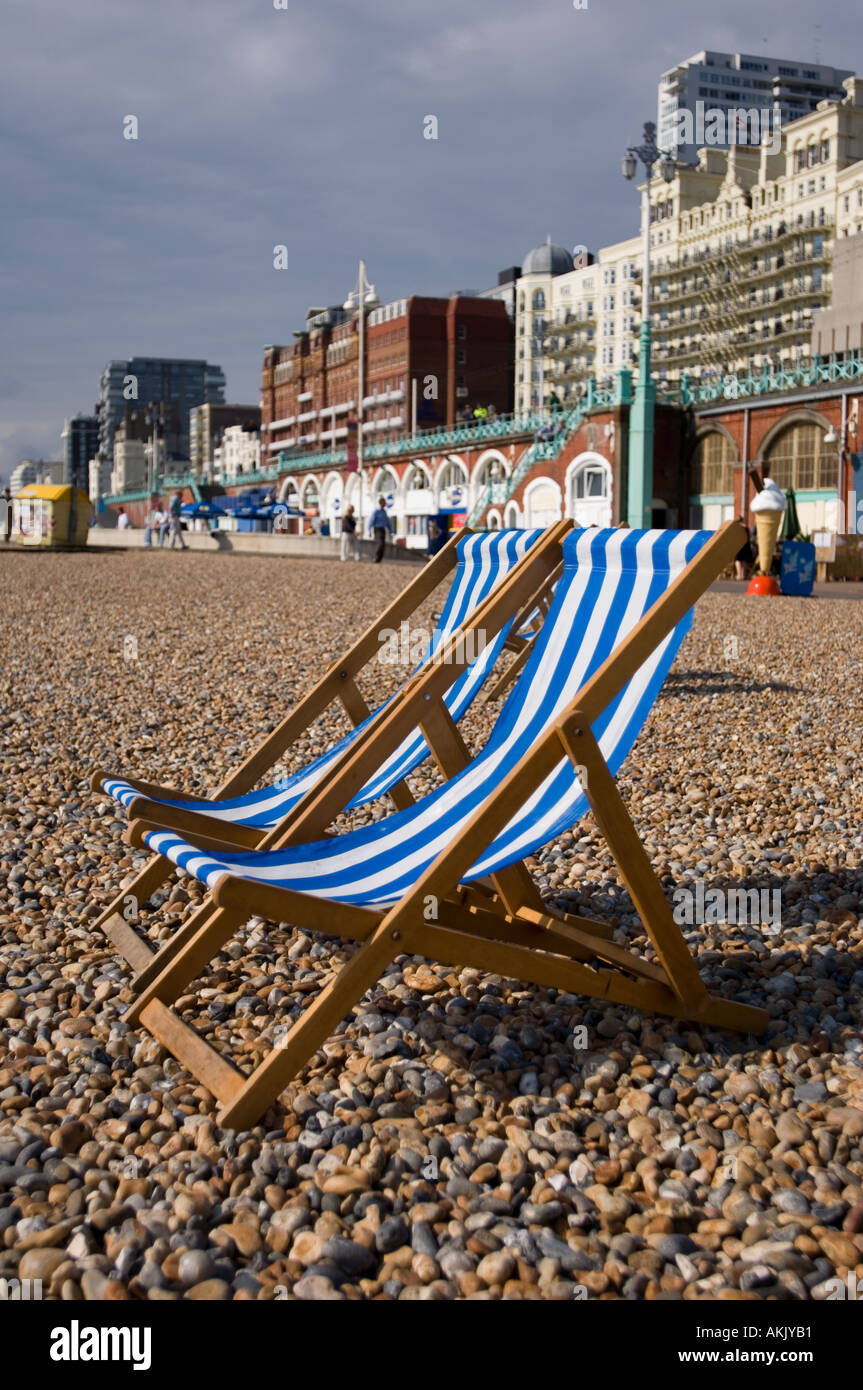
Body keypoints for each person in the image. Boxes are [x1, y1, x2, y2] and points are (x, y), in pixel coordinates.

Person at [368, 496, 393, 563]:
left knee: (383, 544)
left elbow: (387, 522)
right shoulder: (376, 511)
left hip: (383, 529)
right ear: (381, 503)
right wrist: (369, 530)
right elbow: (371, 521)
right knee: (380, 544)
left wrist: (391, 531)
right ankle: (375, 557)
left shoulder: (384, 512)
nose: (385, 504)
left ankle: (379, 559)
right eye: (384, 502)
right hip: (377, 529)